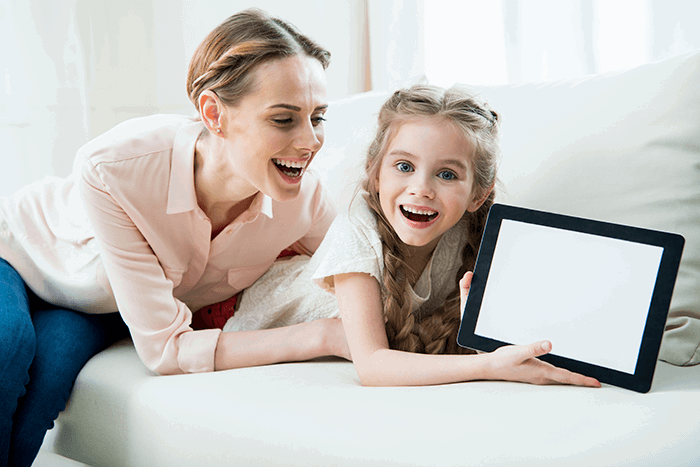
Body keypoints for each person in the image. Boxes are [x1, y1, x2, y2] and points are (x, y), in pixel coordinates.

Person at [0, 9, 349, 467]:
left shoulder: (305, 202)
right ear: (213, 113)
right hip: (21, 257)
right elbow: (166, 351)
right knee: (8, 349)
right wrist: (321, 337)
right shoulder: (114, 167)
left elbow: (367, 273)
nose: (310, 141)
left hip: (96, 304)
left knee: (47, 384)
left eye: (318, 117)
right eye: (284, 119)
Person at [224, 84, 601, 388]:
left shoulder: (474, 233)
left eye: (447, 174)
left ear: (478, 195)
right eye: (404, 166)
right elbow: (372, 366)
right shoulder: (359, 231)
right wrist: (487, 366)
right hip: (233, 312)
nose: (421, 189)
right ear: (374, 174)